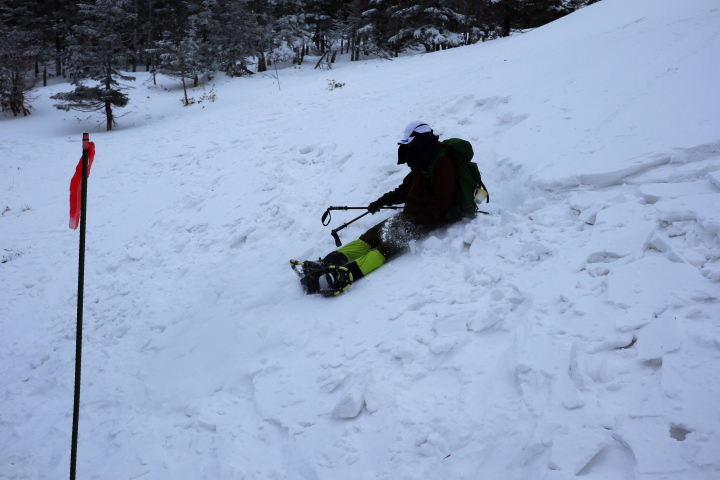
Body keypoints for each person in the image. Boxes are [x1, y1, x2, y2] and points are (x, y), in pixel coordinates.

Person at [296, 121, 459, 295]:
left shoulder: (443, 164)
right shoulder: (424, 163)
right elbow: (404, 190)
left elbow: (440, 202)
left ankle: (347, 274)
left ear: (421, 141)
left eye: (410, 144)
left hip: (431, 218)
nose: (409, 149)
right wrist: (381, 202)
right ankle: (329, 261)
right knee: (370, 237)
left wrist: (420, 222)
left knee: (390, 244)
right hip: (412, 214)